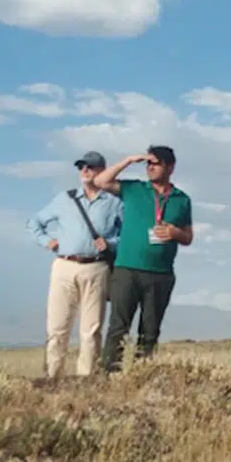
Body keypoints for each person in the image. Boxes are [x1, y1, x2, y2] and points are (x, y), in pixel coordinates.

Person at [95, 146, 195, 372]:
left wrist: (175, 234)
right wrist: (129, 160)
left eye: (155, 163)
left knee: (150, 331)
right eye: (147, 164)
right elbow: (100, 181)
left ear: (170, 167)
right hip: (127, 269)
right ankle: (109, 376)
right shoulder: (133, 189)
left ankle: (141, 376)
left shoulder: (182, 199)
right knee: (118, 328)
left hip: (161, 273)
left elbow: (188, 237)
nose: (150, 167)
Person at [26, 151, 123, 378]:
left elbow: (127, 235)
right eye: (81, 167)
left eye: (90, 167)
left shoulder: (114, 203)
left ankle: (86, 380)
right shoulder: (65, 199)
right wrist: (47, 241)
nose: (85, 171)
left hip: (96, 268)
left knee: (91, 329)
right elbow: (34, 222)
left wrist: (110, 243)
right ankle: (52, 377)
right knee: (58, 327)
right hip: (64, 265)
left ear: (102, 171)